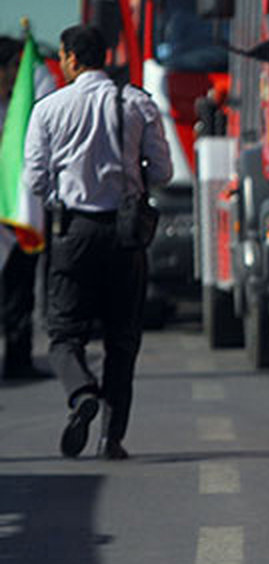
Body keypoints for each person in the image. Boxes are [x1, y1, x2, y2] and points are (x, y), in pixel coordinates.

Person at [24, 25, 172, 459]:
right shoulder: (138, 103)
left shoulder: (49, 109)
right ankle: (112, 437)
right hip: (127, 235)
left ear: (69, 59)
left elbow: (35, 179)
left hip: (74, 233)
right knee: (121, 340)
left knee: (64, 334)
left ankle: (81, 392)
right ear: (105, 56)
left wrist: (63, 197)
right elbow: (163, 173)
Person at [0, 35, 56, 381]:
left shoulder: (24, 111)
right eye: (11, 69)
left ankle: (19, 358)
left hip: (17, 216)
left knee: (20, 291)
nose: (15, 76)